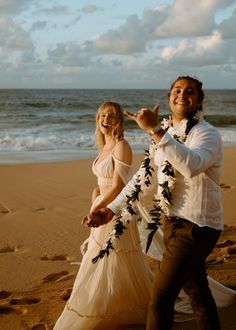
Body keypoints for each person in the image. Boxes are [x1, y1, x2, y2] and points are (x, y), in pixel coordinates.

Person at [87, 76, 227, 330]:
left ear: (200, 101)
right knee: (198, 292)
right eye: (177, 90)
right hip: (172, 223)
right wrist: (110, 210)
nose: (182, 95)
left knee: (160, 298)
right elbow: (141, 180)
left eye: (190, 91)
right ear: (169, 97)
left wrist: (155, 131)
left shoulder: (206, 134)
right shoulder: (168, 134)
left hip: (199, 226)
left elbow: (191, 165)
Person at [53, 101, 153, 330]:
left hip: (115, 209)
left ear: (119, 120)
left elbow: (118, 185)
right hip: (99, 204)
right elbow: (102, 181)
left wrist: (98, 207)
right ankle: (107, 299)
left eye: (111, 116)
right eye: (102, 116)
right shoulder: (104, 146)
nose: (105, 120)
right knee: (102, 256)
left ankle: (117, 306)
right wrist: (95, 195)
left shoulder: (121, 145)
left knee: (118, 256)